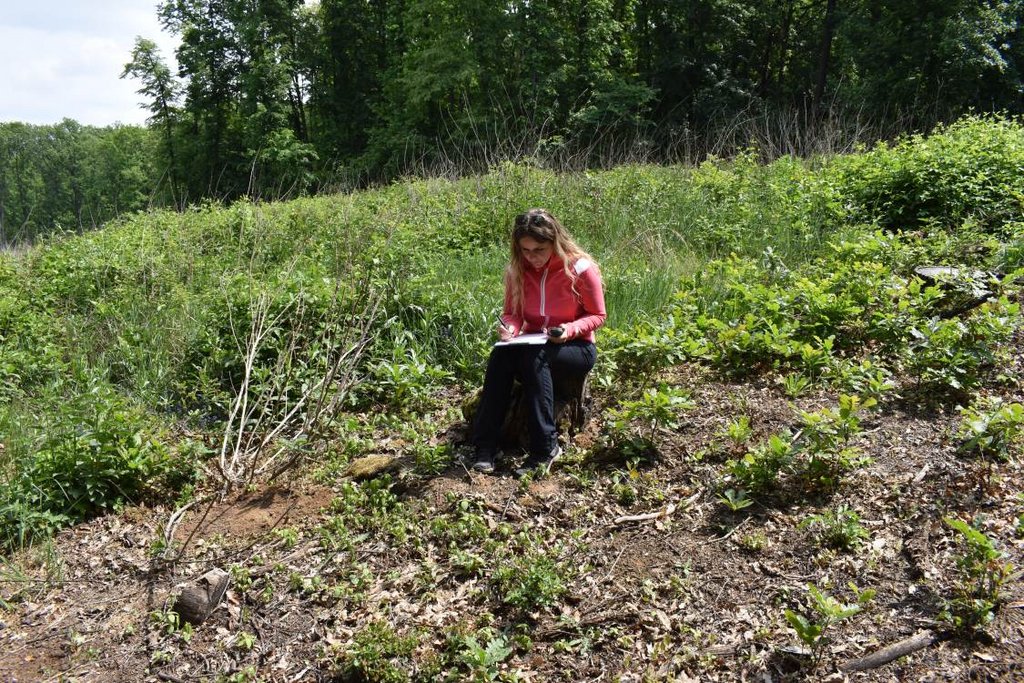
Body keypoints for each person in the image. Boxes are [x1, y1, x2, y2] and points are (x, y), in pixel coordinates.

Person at [471, 208, 607, 476]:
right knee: (500, 357)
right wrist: (509, 328)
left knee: (535, 358)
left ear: (554, 242)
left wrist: (568, 330)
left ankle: (545, 448)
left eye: (539, 250)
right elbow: (513, 314)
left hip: (576, 347)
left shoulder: (580, 268)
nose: (532, 257)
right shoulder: (517, 270)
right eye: (525, 250)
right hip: (532, 343)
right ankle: (485, 446)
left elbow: (598, 315)